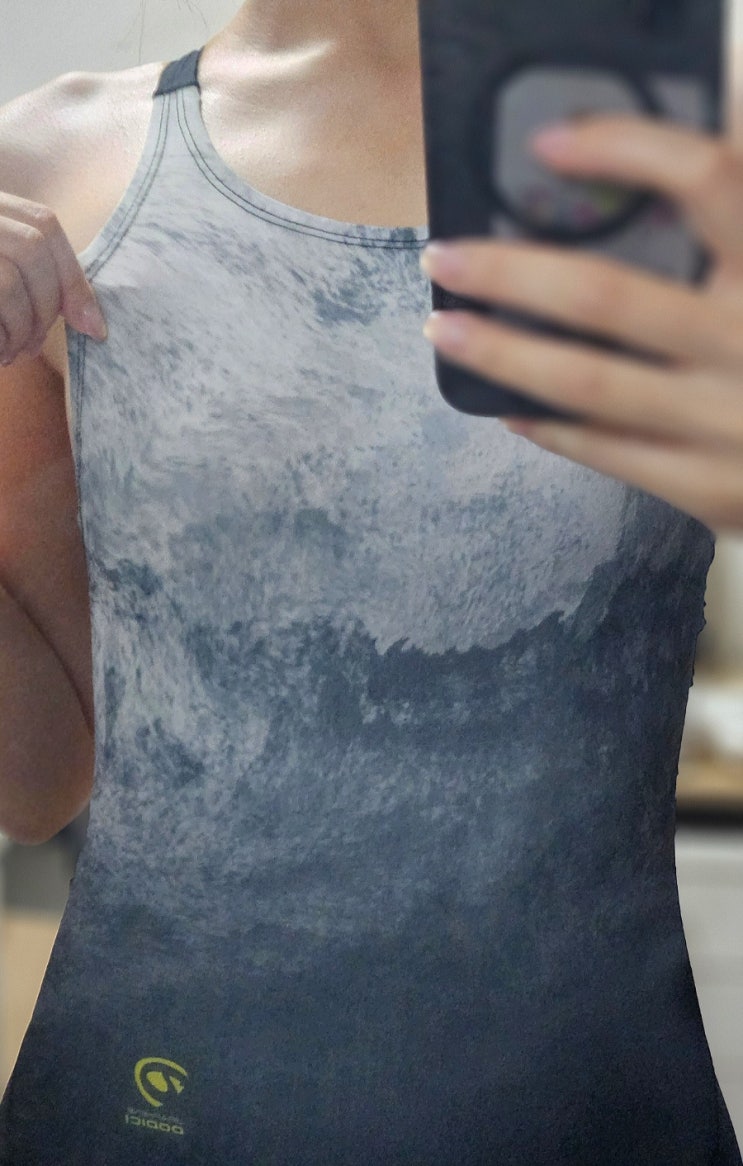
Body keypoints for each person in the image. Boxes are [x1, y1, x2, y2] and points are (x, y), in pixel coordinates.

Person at [0, 1, 741, 1161]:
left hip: (586, 1109)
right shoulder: (53, 157)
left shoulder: (688, 148)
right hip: (147, 1106)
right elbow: (36, 775)